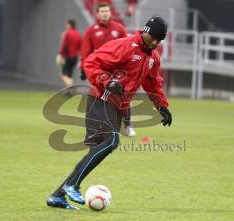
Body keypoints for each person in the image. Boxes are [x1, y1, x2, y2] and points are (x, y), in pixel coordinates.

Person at [47, 16, 172, 210]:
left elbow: (153, 83)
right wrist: (107, 81)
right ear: (145, 30)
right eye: (153, 37)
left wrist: (162, 106)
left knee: (98, 151)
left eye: (159, 40)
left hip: (116, 107)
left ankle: (57, 196)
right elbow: (91, 62)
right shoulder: (125, 46)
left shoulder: (153, 57)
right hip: (100, 99)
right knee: (111, 141)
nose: (155, 42)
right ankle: (72, 185)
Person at [80, 2, 136, 136]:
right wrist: (83, 67)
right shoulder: (91, 31)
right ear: (97, 14)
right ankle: (94, 128)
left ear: (110, 13)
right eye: (102, 11)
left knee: (124, 97)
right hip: (99, 71)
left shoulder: (119, 28)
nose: (105, 13)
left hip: (118, 71)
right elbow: (85, 51)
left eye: (107, 11)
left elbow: (128, 47)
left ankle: (128, 126)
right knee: (95, 98)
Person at [56, 19, 81, 94]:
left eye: (67, 24)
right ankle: (69, 91)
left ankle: (71, 86)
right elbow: (80, 46)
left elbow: (64, 45)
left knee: (63, 74)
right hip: (75, 57)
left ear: (69, 25)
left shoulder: (67, 33)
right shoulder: (78, 34)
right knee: (70, 74)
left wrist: (60, 55)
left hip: (68, 56)